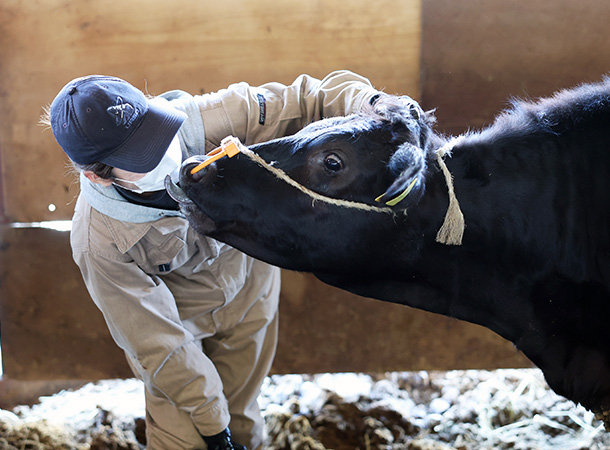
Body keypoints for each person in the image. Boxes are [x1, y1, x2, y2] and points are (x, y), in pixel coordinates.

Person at [45, 70, 380, 450]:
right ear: (99, 176)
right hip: (179, 328)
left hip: (250, 292)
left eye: (155, 132)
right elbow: (157, 341)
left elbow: (308, 99)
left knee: (244, 427)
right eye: (142, 156)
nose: (168, 153)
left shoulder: (206, 119)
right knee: (185, 440)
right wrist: (211, 421)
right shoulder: (100, 240)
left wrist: (373, 106)